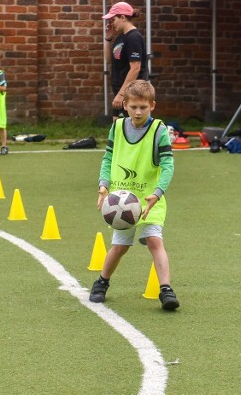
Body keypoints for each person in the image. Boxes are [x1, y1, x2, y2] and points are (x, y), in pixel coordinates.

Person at [89, 79, 179, 311]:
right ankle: (101, 282)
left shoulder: (159, 130)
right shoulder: (117, 127)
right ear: (125, 106)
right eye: (133, 107)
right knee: (120, 246)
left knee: (154, 241)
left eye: (143, 107)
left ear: (152, 105)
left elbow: (168, 166)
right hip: (122, 201)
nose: (138, 112)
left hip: (150, 199)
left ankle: (166, 290)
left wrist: (157, 193)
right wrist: (103, 185)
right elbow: (108, 158)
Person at [103, 2, 149, 121]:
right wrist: (108, 38)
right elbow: (108, 60)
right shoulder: (121, 37)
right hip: (121, 92)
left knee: (131, 133)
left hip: (131, 94)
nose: (111, 23)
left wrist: (121, 94)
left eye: (113, 19)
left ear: (122, 17)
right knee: (116, 133)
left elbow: (135, 68)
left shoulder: (133, 37)